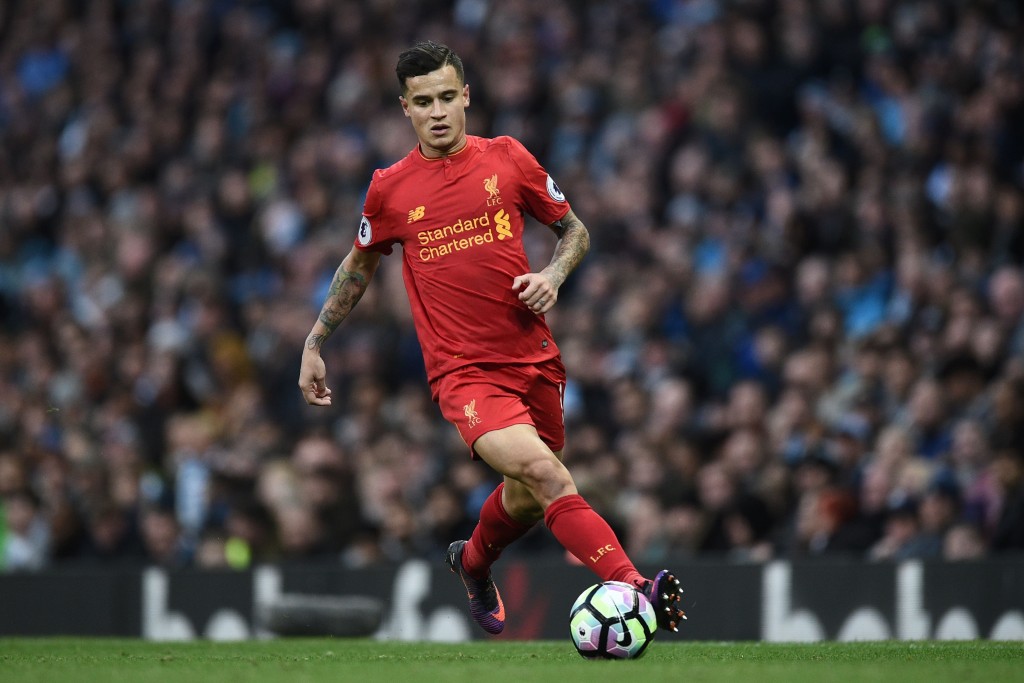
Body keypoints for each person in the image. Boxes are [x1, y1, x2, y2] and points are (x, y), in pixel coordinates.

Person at [298, 40, 685, 636]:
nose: (438, 111)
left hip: (535, 361)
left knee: (527, 495)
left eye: (448, 97)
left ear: (467, 97)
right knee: (550, 476)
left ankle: (472, 562)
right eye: (423, 101)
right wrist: (315, 341)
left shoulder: (507, 159)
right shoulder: (390, 189)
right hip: (464, 374)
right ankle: (634, 587)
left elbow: (574, 232)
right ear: (406, 108)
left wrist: (553, 276)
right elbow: (358, 265)